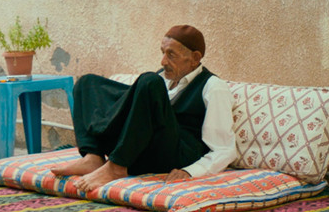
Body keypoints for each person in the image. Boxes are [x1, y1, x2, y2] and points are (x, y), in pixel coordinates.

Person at [51, 25, 237, 191]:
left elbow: (224, 149)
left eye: (171, 55)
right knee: (87, 83)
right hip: (140, 150)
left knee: (149, 81)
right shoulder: (163, 78)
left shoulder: (213, 87)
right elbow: (138, 117)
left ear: (195, 58)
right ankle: (93, 157)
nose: (163, 62)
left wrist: (191, 171)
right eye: (163, 53)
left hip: (176, 155)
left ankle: (116, 167)